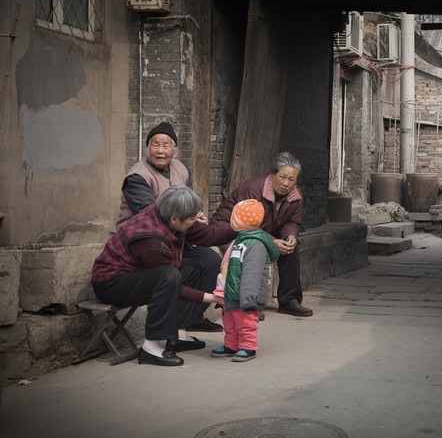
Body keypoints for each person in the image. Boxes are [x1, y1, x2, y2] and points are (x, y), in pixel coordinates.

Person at [91, 185, 235, 366]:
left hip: (139, 274)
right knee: (169, 276)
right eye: (192, 219)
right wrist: (215, 299)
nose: (195, 221)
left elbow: (207, 234)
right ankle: (151, 348)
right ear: (174, 219)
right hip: (112, 284)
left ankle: (178, 335)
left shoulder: (171, 214)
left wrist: (239, 228)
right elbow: (169, 284)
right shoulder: (149, 238)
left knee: (199, 264)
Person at [116, 121, 223, 333]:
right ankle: (173, 326)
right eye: (155, 145)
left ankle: (193, 318)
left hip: (177, 234)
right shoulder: (138, 176)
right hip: (146, 240)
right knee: (186, 268)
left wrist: (194, 214)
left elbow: (189, 199)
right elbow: (151, 214)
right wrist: (186, 219)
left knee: (212, 260)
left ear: (174, 150)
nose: (160, 150)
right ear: (148, 148)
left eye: (166, 145)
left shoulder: (180, 169)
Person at [210, 151, 312, 317]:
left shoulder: (296, 196)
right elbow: (246, 227)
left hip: (261, 231)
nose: (286, 183)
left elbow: (292, 222)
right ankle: (250, 303)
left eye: (291, 179)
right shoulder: (254, 190)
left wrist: (290, 236)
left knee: (291, 248)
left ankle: (289, 300)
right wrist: (271, 241)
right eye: (282, 177)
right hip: (231, 230)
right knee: (255, 250)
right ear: (273, 175)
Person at [211, 199, 279, 362]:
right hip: (232, 292)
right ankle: (231, 345)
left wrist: (248, 298)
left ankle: (248, 347)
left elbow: (252, 273)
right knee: (230, 322)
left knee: (245, 322)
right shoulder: (239, 239)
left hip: (246, 294)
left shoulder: (256, 245)